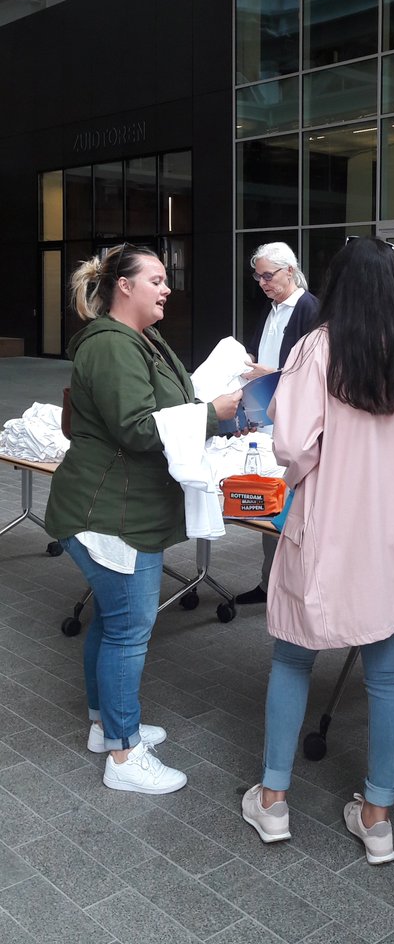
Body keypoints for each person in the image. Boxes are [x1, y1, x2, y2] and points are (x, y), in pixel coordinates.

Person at [240, 237, 394, 864]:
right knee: (388, 676)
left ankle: (275, 802)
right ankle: (377, 816)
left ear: (334, 283)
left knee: (292, 659)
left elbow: (292, 446)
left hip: (328, 522)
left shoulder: (316, 347)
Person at [45, 244, 242, 795]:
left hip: (118, 508)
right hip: (111, 514)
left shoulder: (138, 339)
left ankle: (105, 726)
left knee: (111, 623)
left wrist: (212, 404)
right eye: (156, 279)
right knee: (128, 631)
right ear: (123, 287)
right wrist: (211, 414)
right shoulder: (112, 346)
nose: (166, 288)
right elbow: (136, 427)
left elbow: (164, 404)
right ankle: (125, 755)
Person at [235, 242, 319, 606]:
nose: (263, 282)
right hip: (268, 417)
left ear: (290, 270)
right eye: (258, 276)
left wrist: (271, 372)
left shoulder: (308, 308)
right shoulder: (273, 310)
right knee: (271, 503)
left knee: (292, 509)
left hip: (293, 422)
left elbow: (315, 372)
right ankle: (270, 583)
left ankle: (290, 588)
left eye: (269, 275)